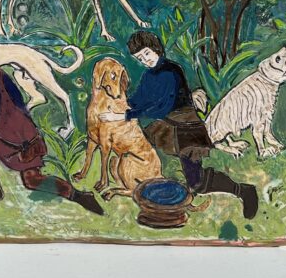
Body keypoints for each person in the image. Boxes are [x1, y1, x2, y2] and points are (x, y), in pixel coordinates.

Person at [0, 41, 103, 215]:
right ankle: (78, 196)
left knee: (30, 179)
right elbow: (18, 101)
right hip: (25, 132)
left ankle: (78, 196)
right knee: (30, 177)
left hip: (8, 140)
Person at [99, 32, 258, 218]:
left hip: (186, 128)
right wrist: (117, 103)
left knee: (197, 182)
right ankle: (169, 195)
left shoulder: (171, 72)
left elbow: (161, 107)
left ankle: (243, 190)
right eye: (140, 58)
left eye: (147, 54)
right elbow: (138, 100)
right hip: (167, 126)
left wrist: (123, 115)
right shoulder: (149, 75)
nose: (145, 60)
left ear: (156, 49)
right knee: (162, 164)